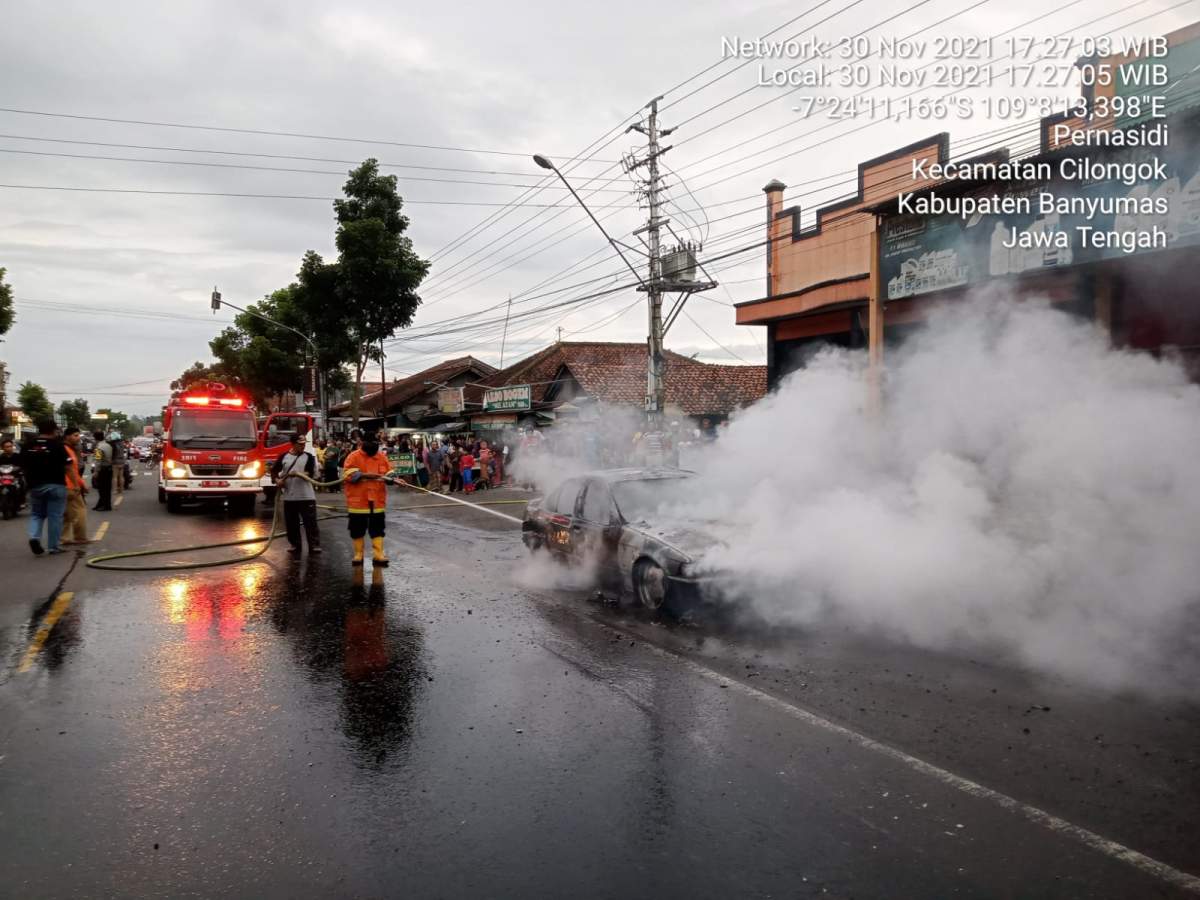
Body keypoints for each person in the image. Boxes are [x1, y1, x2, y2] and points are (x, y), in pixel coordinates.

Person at [19, 419, 72, 555]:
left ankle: (34, 537)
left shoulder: (28, 445)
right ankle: (53, 547)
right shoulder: (57, 445)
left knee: (37, 514)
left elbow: (22, 464)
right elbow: (68, 466)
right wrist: (75, 483)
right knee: (55, 516)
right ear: (54, 430)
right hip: (56, 485)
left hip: (35, 486)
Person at [342, 432, 393, 567]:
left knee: (378, 527)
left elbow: (389, 472)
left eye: (375, 444)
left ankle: (378, 554)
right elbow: (348, 474)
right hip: (358, 501)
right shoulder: (353, 456)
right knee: (357, 528)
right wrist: (365, 475)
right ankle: (358, 554)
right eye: (370, 443)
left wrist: (394, 478)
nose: (373, 446)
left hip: (377, 500)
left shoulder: (381, 457)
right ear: (362, 444)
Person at [271, 433, 322, 556]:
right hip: (290, 496)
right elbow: (274, 471)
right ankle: (295, 544)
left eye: (304, 444)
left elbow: (312, 473)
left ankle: (314, 545)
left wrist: (299, 473)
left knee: (310, 522)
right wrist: (277, 480)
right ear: (293, 444)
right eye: (300, 444)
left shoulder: (309, 457)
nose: (303, 446)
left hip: (306, 496)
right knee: (291, 523)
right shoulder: (283, 457)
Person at [61, 427, 92, 545]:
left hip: (67, 486)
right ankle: (80, 537)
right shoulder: (65, 450)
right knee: (80, 511)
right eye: (75, 435)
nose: (78, 438)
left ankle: (65, 538)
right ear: (67, 436)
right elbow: (70, 470)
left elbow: (74, 470)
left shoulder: (70, 449)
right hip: (70, 486)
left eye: (78, 435)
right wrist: (79, 485)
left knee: (67, 514)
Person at [92, 431, 114, 511]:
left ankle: (105, 506)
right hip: (109, 469)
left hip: (103, 470)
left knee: (102, 489)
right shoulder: (108, 445)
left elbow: (98, 461)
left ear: (95, 438)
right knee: (107, 488)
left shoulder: (99, 448)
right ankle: (101, 504)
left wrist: (96, 472)